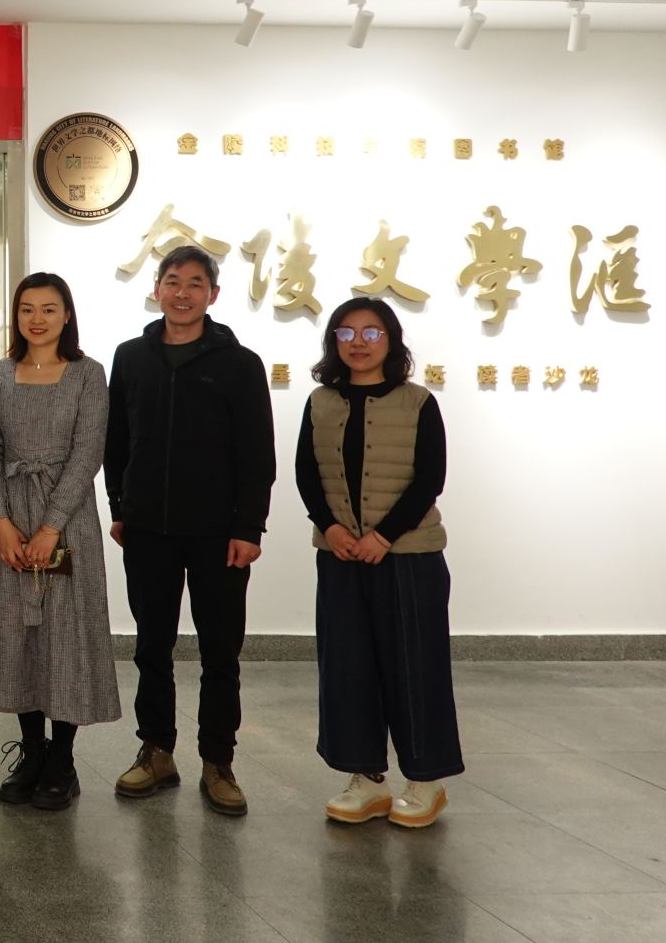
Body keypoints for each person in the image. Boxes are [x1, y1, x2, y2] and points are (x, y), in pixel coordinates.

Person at [105, 245, 274, 816]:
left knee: (220, 652)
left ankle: (218, 761)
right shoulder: (131, 357)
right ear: (156, 289)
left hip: (218, 534)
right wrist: (120, 506)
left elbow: (258, 453)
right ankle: (156, 751)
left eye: (195, 283)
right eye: (172, 281)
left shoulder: (239, 363)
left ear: (213, 295)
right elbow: (116, 441)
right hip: (147, 528)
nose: (182, 293)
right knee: (151, 647)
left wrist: (249, 527)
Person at [298, 297, 460, 829]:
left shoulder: (418, 402)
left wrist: (384, 536)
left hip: (409, 557)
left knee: (415, 667)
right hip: (340, 556)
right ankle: (365, 778)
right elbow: (306, 474)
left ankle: (425, 780)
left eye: (371, 333)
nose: (359, 343)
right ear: (334, 342)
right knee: (347, 668)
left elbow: (430, 478)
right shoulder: (321, 401)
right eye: (346, 333)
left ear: (391, 341)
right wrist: (332, 528)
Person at [0, 273, 120, 812]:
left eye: (49, 309)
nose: (37, 319)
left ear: (66, 315)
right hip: (12, 522)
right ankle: (31, 753)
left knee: (65, 635)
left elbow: (88, 453)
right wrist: (1, 520)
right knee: (16, 636)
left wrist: (51, 526)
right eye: (27, 309)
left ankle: (63, 759)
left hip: (67, 521)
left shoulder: (88, 373)